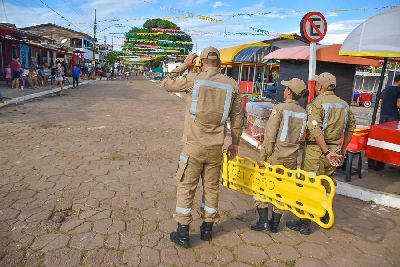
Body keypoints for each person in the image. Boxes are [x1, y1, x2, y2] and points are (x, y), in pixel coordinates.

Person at [161, 48, 243, 248]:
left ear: (202, 62)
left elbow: (166, 83)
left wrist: (184, 65)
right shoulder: (232, 85)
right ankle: (207, 229)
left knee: (187, 186)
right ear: (220, 64)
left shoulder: (193, 79)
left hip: (193, 146)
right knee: (212, 187)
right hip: (216, 147)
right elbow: (238, 117)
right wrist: (235, 143)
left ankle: (182, 233)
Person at [286, 72, 356, 235]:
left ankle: (304, 223)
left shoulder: (316, 104)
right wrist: (343, 148)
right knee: (327, 183)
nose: (316, 87)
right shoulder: (344, 105)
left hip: (317, 152)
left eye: (317, 84)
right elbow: (351, 127)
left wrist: (325, 151)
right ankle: (324, 215)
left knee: (310, 184)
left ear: (321, 87)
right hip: (335, 151)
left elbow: (315, 130)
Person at [252, 78, 308, 234]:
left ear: (289, 91)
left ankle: (263, 222)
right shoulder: (303, 112)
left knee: (262, 186)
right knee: (282, 190)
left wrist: (263, 157)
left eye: (286, 88)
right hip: (291, 158)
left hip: (275, 157)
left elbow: (270, 137)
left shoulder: (280, 108)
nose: (284, 90)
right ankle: (275, 224)